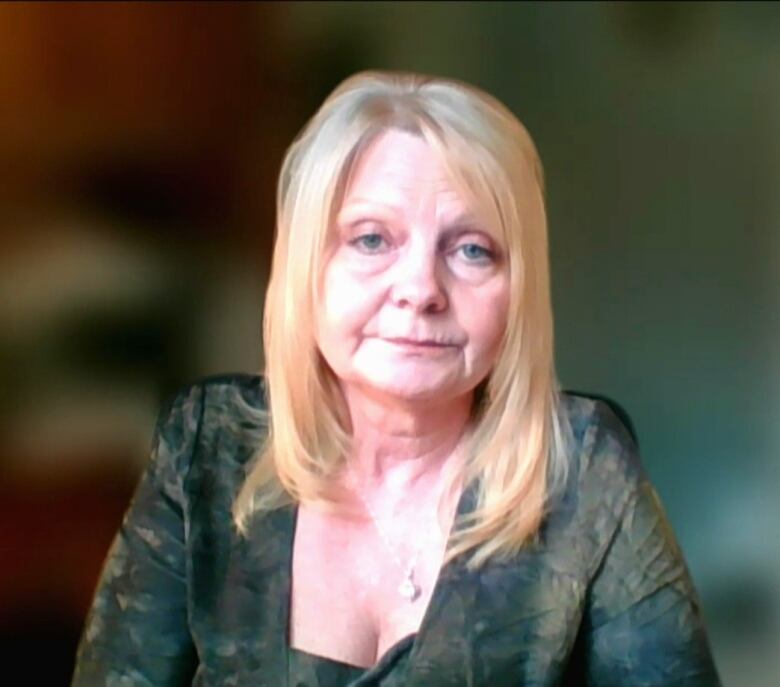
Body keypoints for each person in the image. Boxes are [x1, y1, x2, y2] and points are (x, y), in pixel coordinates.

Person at [71, 71, 721, 686]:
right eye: (372, 239)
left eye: (471, 249)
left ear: (518, 288)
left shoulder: (584, 468)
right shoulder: (205, 447)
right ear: (306, 268)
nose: (419, 290)